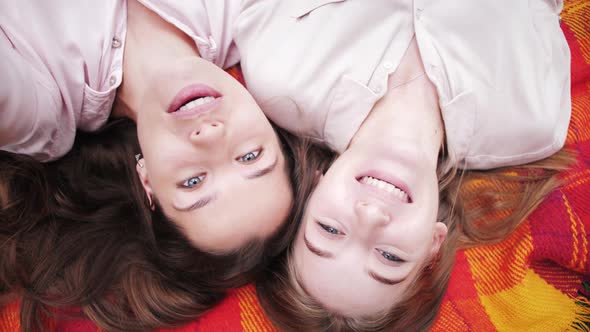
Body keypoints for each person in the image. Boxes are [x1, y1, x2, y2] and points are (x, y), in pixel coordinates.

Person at [229, 0, 572, 330]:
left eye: (330, 230)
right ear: (433, 244)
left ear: (311, 192)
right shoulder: (533, 123)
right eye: (390, 257)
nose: (371, 215)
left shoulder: (280, 76)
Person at [0, 0, 334, 330]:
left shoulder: (40, 113)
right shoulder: (253, 16)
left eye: (193, 182)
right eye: (250, 156)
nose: (210, 137)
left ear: (147, 181)